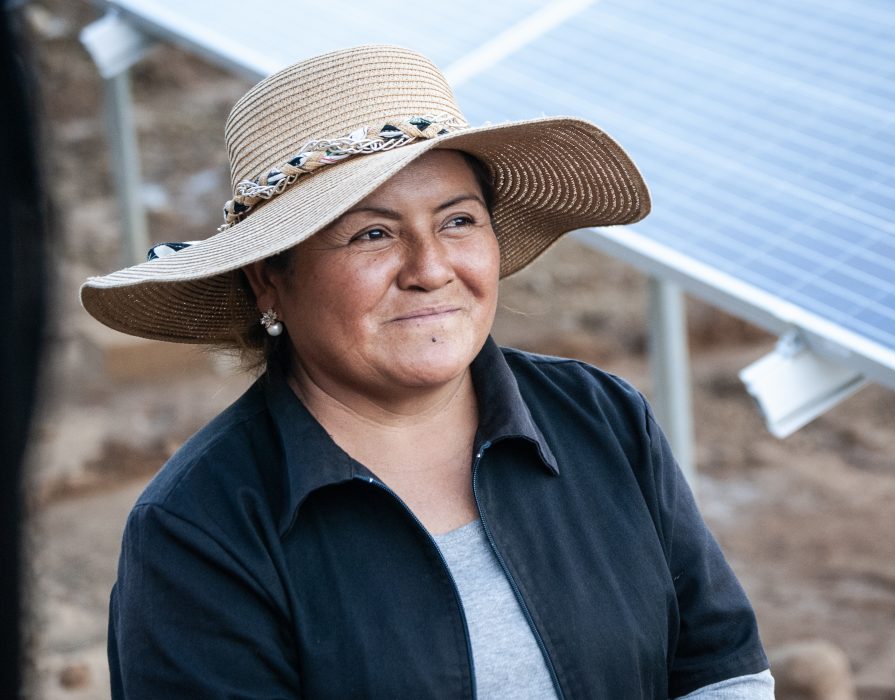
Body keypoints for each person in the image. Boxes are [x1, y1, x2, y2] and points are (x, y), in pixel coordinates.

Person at [82, 45, 773, 699]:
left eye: (459, 221)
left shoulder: (601, 417)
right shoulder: (199, 529)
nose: (431, 269)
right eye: (373, 233)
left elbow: (719, 666)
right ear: (270, 281)